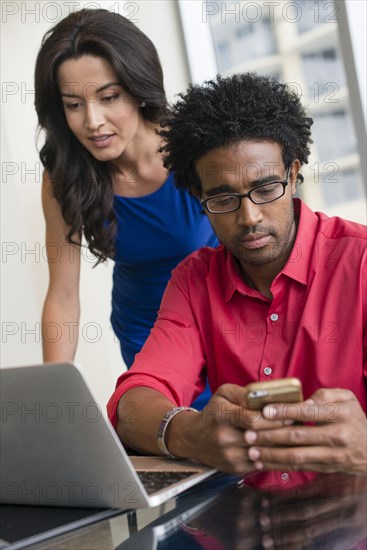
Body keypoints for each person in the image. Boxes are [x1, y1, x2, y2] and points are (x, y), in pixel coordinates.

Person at [108, 73, 367, 477]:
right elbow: (135, 402)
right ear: (200, 198)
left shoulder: (361, 262)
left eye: (266, 190)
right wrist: (188, 431)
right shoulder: (193, 282)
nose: (249, 217)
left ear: (294, 173)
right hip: (244, 520)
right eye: (224, 198)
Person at [35, 9, 217, 409]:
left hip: (225, 323)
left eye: (109, 97)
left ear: (137, 88)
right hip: (146, 335)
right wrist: (53, 394)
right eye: (73, 104)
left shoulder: (196, 145)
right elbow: (63, 296)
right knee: (180, 451)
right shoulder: (65, 175)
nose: (93, 122)